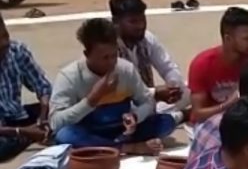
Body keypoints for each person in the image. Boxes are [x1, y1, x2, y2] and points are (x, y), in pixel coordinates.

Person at [50, 19, 176, 154]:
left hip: (122, 129)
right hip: (90, 131)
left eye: (114, 55)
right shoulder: (70, 77)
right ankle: (128, 147)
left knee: (166, 122)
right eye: (105, 58)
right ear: (87, 54)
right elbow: (56, 123)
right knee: (65, 135)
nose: (111, 62)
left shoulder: (125, 69)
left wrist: (135, 116)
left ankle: (110, 146)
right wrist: (92, 99)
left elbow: (147, 101)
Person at [109, 0, 189, 125]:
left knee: (191, 90)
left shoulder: (147, 38)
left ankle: (160, 118)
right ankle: (179, 117)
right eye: (133, 21)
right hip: (121, 104)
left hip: (149, 102)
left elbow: (168, 67)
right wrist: (154, 93)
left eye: (142, 19)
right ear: (116, 22)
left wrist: (173, 86)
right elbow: (118, 90)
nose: (140, 26)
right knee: (128, 113)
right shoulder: (108, 46)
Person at [188, 7, 248, 124]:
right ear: (228, 39)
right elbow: (198, 114)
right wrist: (229, 104)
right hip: (209, 123)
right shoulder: (202, 64)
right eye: (247, 38)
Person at [0, 15, 52, 160]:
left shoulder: (17, 50)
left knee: (59, 108)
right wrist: (25, 132)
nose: (4, 44)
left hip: (18, 115)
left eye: (5, 36)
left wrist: (44, 113)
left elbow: (42, 85)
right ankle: (29, 136)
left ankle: (32, 133)